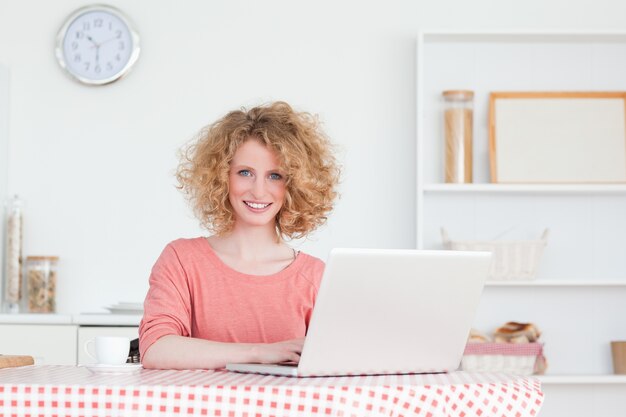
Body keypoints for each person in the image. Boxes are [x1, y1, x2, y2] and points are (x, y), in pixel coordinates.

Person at [139, 101, 341, 370]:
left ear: (295, 184)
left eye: (275, 176)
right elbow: (156, 349)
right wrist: (261, 352)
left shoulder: (315, 277)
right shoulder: (182, 260)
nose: (258, 191)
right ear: (222, 177)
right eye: (245, 173)